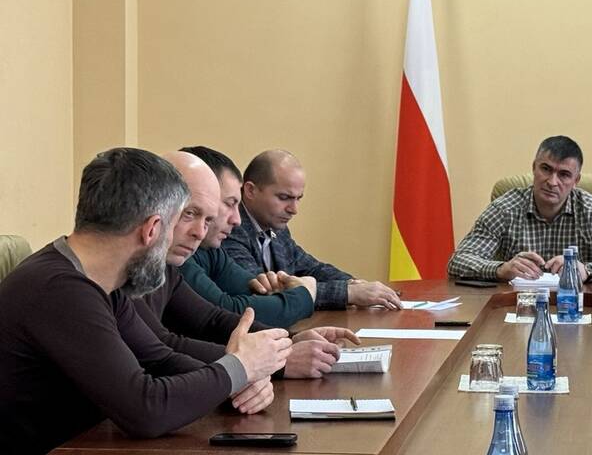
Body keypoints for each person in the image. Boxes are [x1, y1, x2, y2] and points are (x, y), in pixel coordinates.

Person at [0, 148, 290, 455]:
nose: (195, 233)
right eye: (178, 222)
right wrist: (238, 368)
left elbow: (158, 359)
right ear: (152, 229)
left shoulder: (100, 279)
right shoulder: (60, 289)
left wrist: (241, 381)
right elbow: (146, 409)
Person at [136, 151, 360, 379]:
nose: (236, 219)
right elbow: (162, 352)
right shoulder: (139, 271)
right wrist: (276, 359)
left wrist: (287, 342)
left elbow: (213, 319)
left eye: (208, 217)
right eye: (190, 213)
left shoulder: (176, 262)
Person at [447, 135, 592, 282]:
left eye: (564, 174)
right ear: (534, 168)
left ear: (576, 181)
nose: (552, 182)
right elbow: (458, 261)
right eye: (546, 169)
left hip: (577, 307)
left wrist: (587, 271)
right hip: (517, 306)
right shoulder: (505, 208)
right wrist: (500, 269)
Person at [222, 149, 402, 310]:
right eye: (284, 197)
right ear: (250, 190)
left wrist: (353, 283)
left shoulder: (276, 226)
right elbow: (264, 290)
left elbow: (310, 267)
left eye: (298, 198)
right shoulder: (230, 228)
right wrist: (348, 294)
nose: (294, 209)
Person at [177, 145, 317, 328]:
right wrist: (305, 293)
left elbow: (259, 291)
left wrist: (293, 338)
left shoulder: (209, 250)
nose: (237, 220)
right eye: (229, 203)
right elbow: (228, 313)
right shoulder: (176, 256)